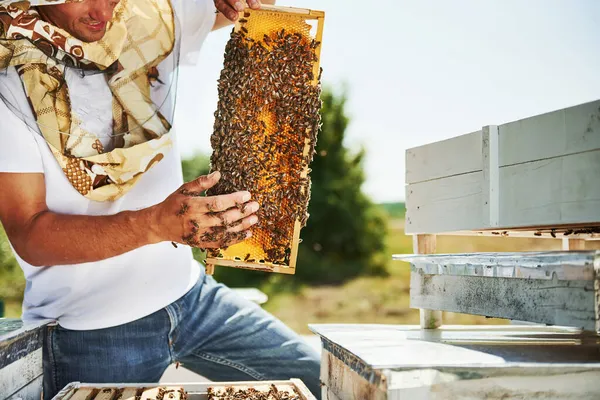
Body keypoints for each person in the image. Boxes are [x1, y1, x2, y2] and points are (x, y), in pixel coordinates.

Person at [0, 0, 321, 399]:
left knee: (323, 382)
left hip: (193, 296)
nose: (102, 11)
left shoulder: (149, 17)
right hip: (94, 328)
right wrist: (155, 224)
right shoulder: (7, 85)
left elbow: (254, 9)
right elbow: (30, 234)